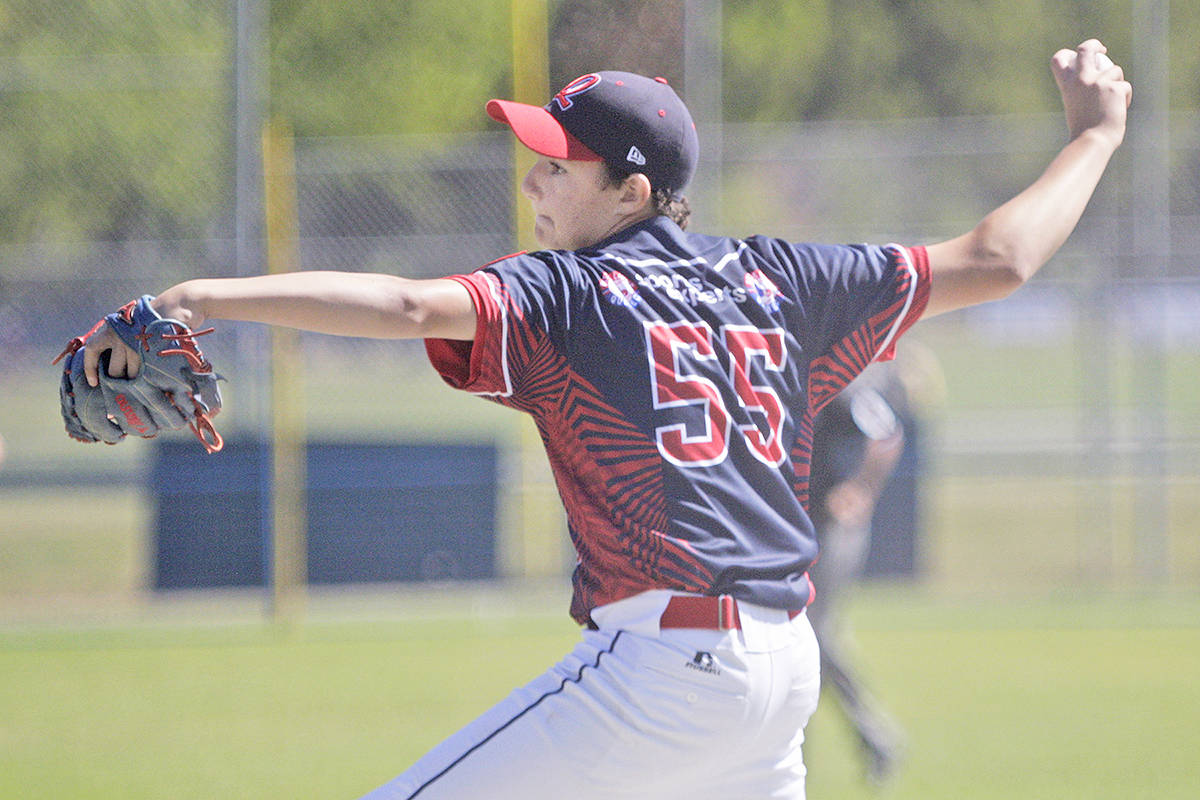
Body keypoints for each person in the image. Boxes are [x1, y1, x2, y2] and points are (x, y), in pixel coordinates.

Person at [77, 40, 1130, 799]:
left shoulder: (565, 294)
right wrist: (1097, 137)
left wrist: (198, 298)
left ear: (632, 189)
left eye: (557, 162)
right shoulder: (784, 276)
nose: (534, 179)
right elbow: (999, 259)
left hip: (665, 670)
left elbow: (404, 304)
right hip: (781, 670)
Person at [805, 358, 910, 784]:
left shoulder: (838, 380)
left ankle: (872, 735)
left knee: (811, 634)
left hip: (832, 528)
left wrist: (861, 490)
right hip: (798, 525)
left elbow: (886, 434)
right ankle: (870, 735)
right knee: (811, 636)